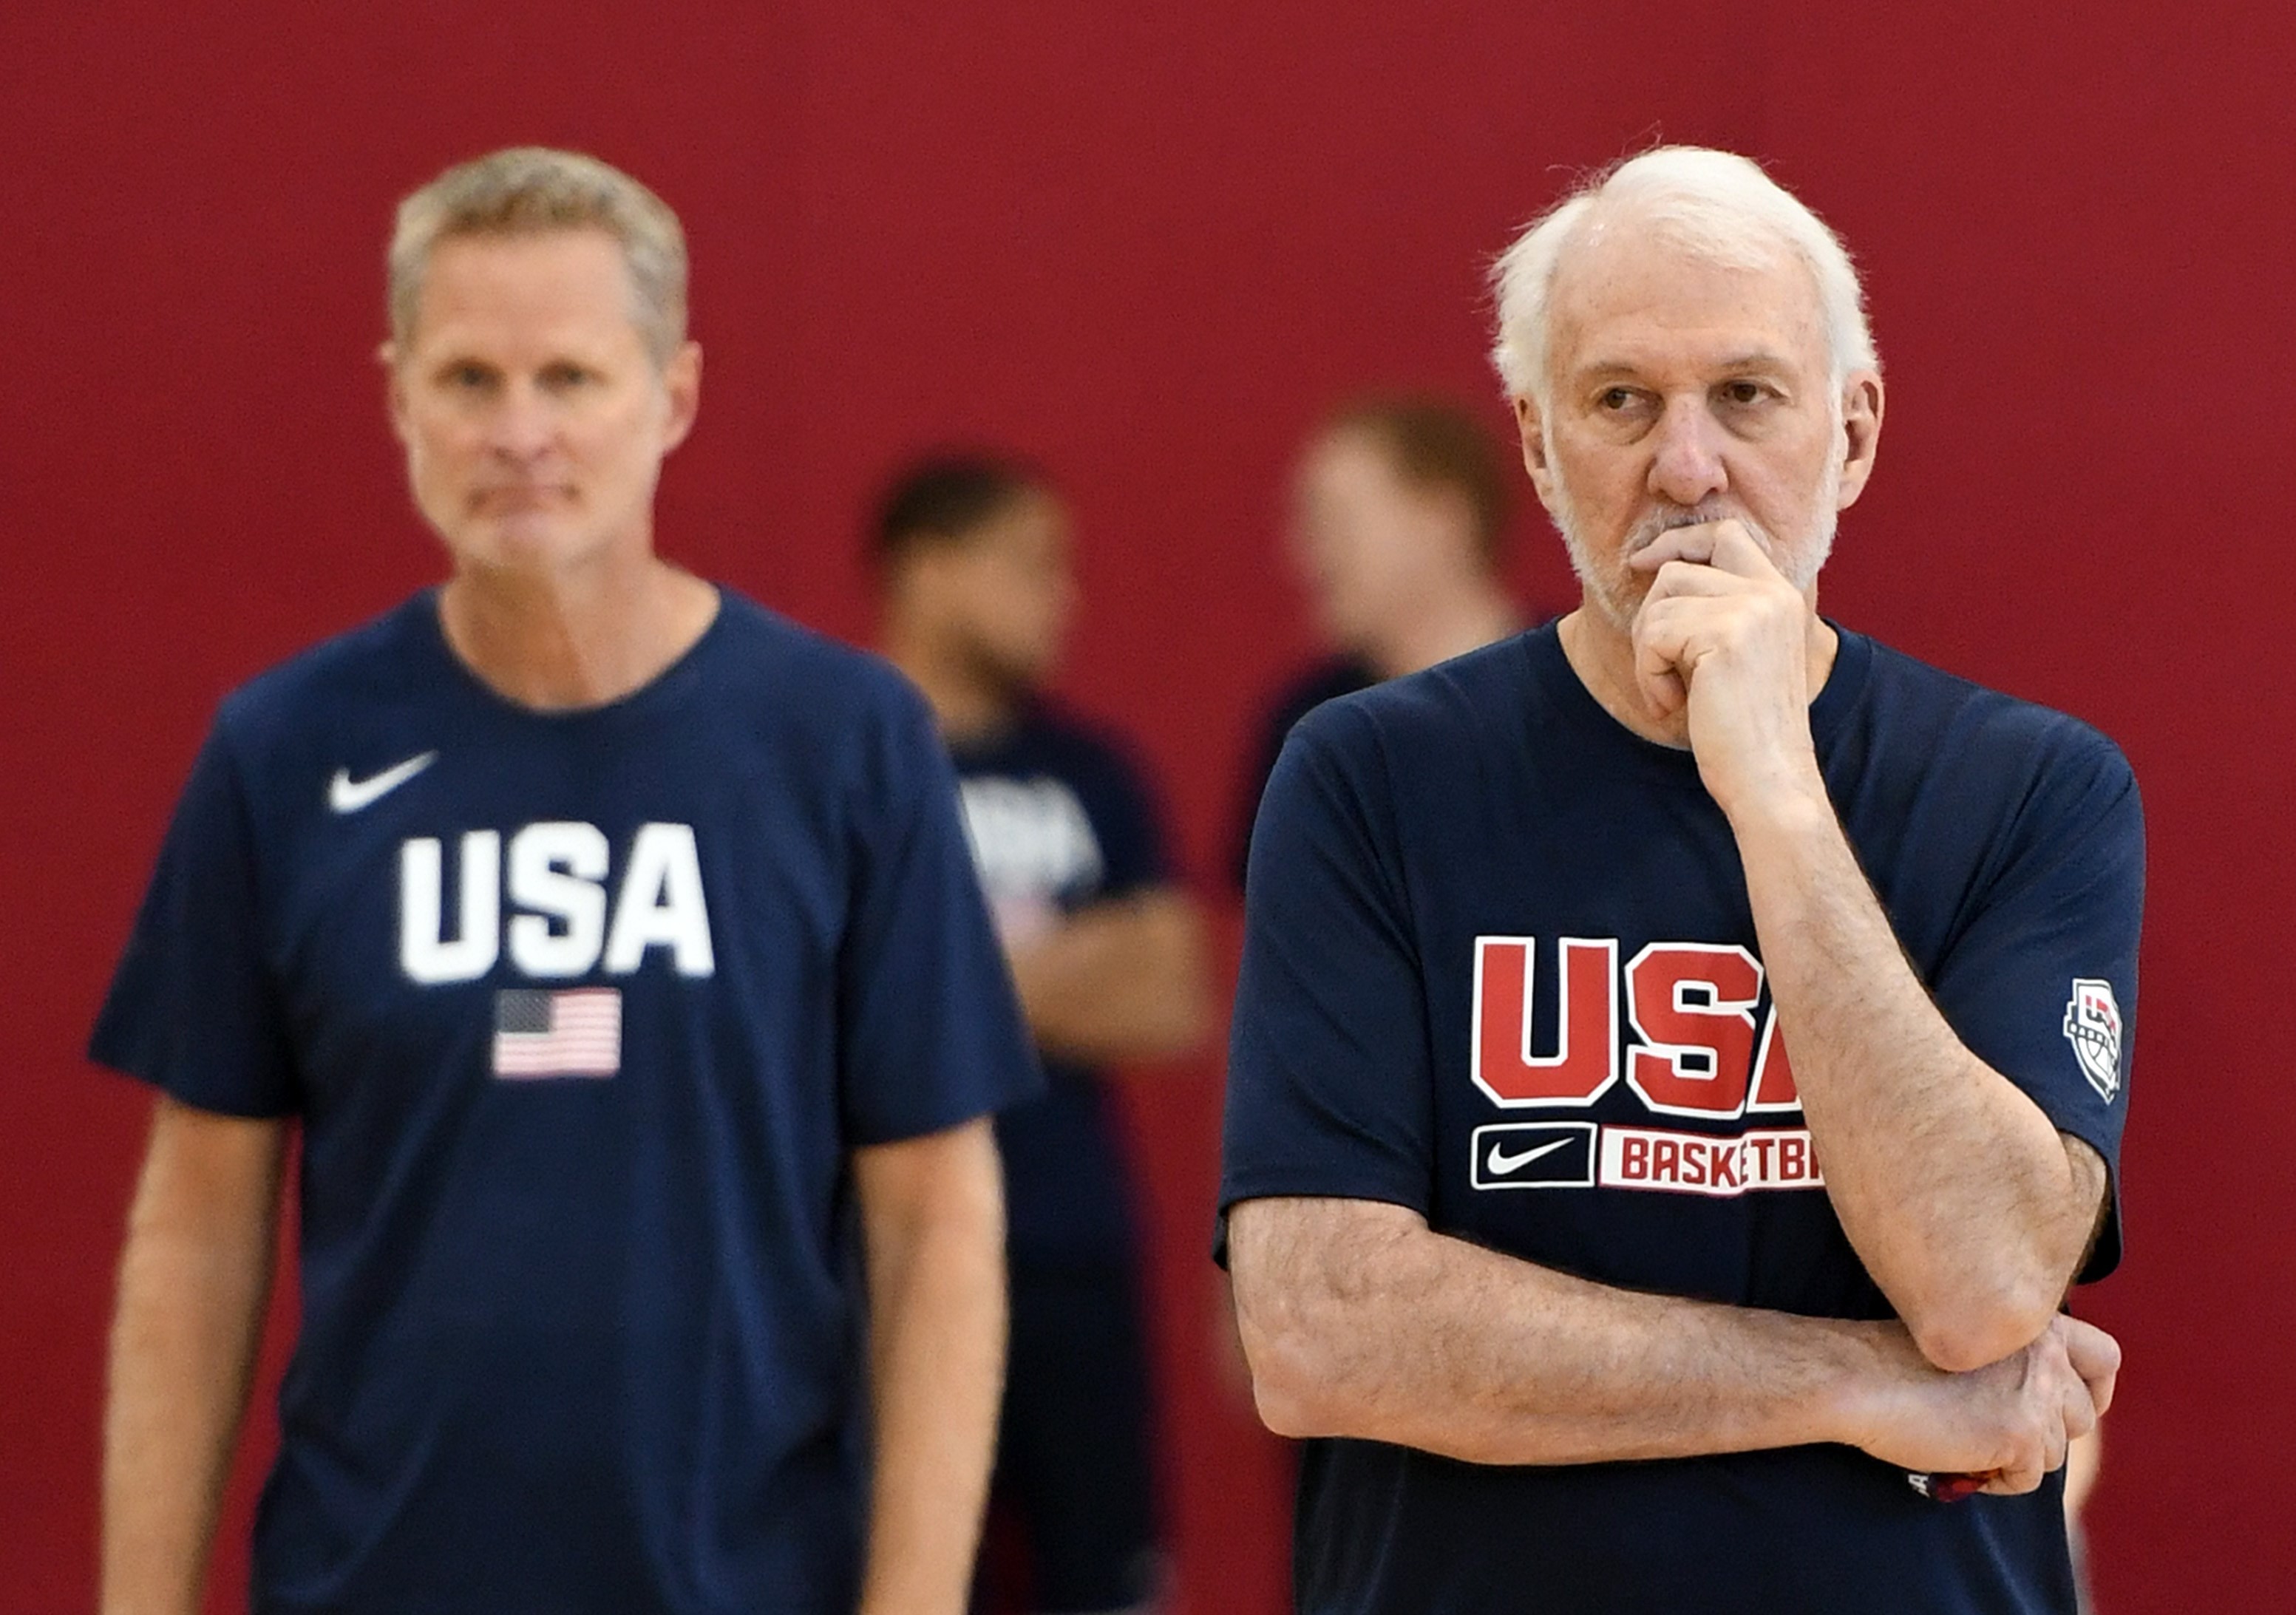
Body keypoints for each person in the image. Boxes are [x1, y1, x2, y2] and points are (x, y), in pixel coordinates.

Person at [90, 147, 1039, 1615]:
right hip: (368, 1581)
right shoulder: (282, 750)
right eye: (470, 380)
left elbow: (936, 1217)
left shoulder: (842, 743)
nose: (517, 431)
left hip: (745, 1582)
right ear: (399, 394)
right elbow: (199, 1218)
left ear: (673, 396)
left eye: (570, 380)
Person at [1218, 146, 2140, 1614]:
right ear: (1532, 443)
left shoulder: (2028, 790)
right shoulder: (1369, 779)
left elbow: (1978, 1283)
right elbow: (1322, 1330)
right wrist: (1852, 1381)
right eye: (1618, 401)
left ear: (1849, 435)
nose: (1686, 465)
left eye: (1747, 397)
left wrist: (1769, 782)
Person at [873, 455, 1209, 1614]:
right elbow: (809, 1002)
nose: (1060, 597)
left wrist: (922, 963)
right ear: (927, 569)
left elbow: (1167, 994)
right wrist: (1064, 965)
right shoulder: (841, 762)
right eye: (1028, 567)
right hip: (881, 1261)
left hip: (1073, 1258)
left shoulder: (1092, 774)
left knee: (1103, 1581)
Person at [1230, 396, 1526, 892]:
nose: (1305, 554)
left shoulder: (1579, 690)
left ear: (1443, 522)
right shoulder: (1307, 722)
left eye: (1336, 521)